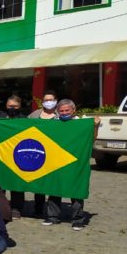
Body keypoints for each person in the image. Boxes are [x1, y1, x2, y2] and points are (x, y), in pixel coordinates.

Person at [43, 99, 100, 231]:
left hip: (76, 161)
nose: (64, 113)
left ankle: (78, 219)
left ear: (73, 110)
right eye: (61, 111)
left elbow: (92, 139)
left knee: (76, 189)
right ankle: (53, 216)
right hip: (57, 160)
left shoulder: (81, 123)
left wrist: (95, 126)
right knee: (54, 188)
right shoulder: (53, 123)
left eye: (67, 110)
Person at [0, 95, 27, 220]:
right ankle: (0, 206)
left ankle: (16, 208)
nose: (12, 108)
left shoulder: (24, 120)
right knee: (0, 182)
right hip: (1, 154)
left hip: (17, 154)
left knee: (16, 182)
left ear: (20, 106)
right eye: (10, 106)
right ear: (6, 106)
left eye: (15, 106)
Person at [26, 91, 59, 217]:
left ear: (56, 100)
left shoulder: (59, 114)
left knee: (53, 182)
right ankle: (38, 209)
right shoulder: (35, 114)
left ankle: (53, 212)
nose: (48, 102)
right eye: (46, 99)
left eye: (51, 99)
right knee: (39, 182)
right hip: (38, 152)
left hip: (54, 153)